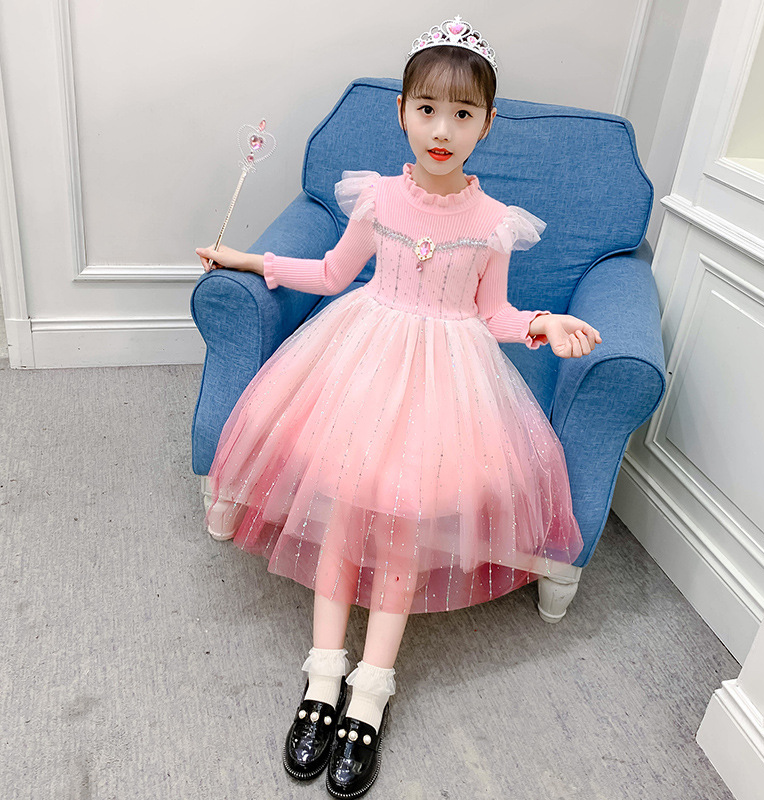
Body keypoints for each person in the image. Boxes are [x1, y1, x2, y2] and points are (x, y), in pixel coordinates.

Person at [195, 14, 600, 799]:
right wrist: (247, 259)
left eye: (462, 113)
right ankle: (322, 679)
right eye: (427, 109)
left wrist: (544, 323)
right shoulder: (376, 198)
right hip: (361, 363)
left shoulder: (493, 223)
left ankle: (370, 693)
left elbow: (495, 315)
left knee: (406, 521)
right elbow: (331, 273)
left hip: (448, 383)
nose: (442, 129)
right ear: (403, 112)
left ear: (487, 124)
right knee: (345, 508)